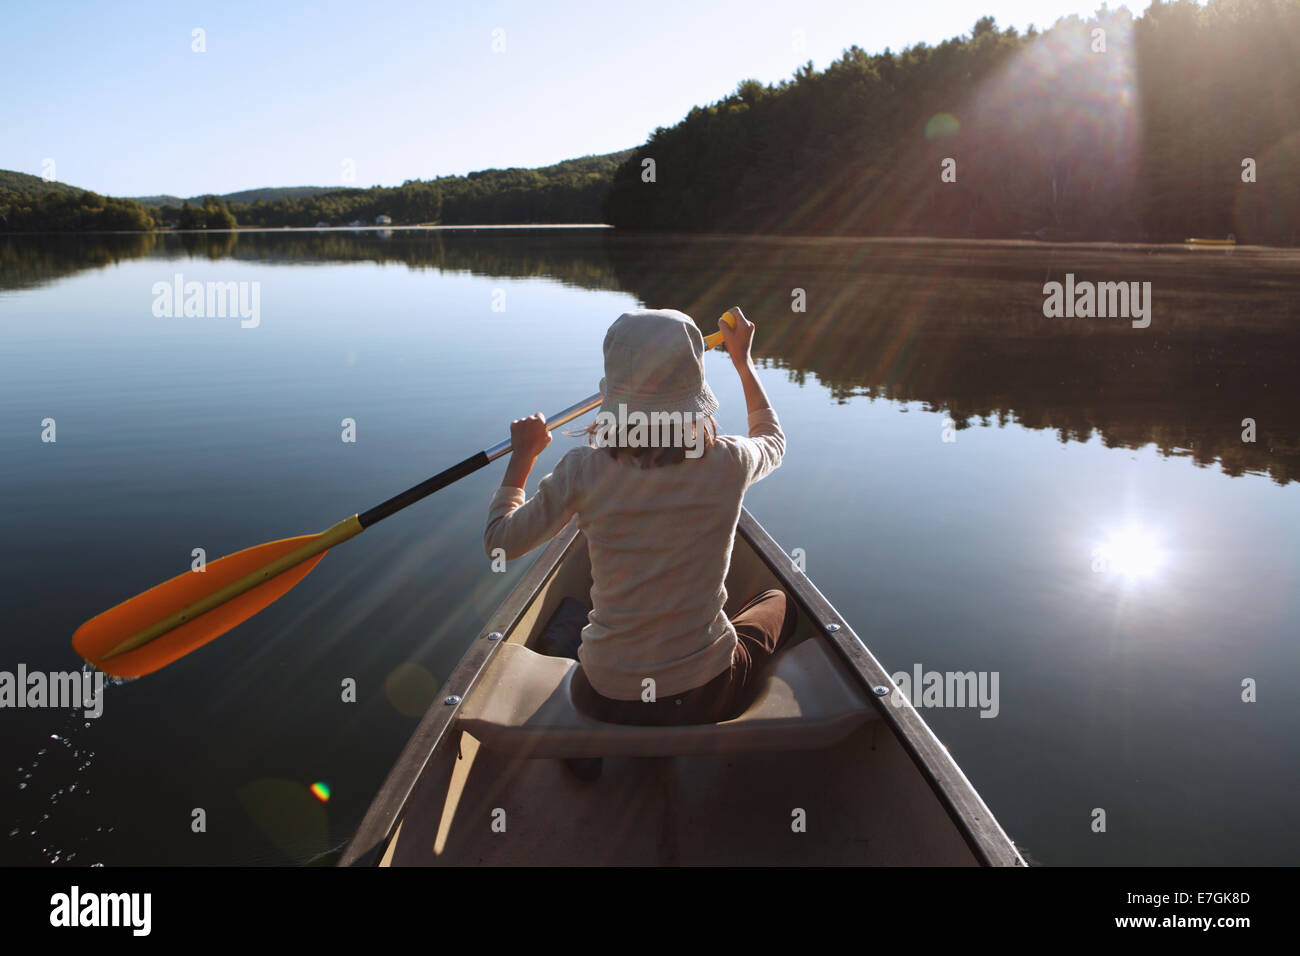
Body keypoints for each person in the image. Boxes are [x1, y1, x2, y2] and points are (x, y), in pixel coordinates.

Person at [483, 306, 792, 734]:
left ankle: (600, 741)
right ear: (695, 392)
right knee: (778, 601)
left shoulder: (582, 472)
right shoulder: (730, 462)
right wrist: (743, 362)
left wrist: (523, 456)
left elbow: (500, 543)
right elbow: (771, 439)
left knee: (573, 614)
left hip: (605, 696)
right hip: (704, 692)